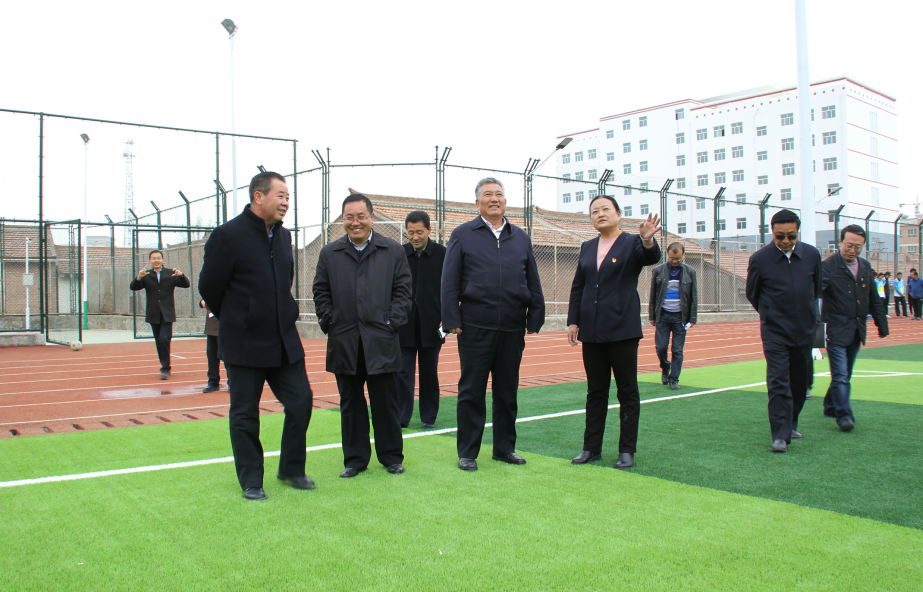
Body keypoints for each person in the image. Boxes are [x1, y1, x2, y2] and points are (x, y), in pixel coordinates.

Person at [199, 171, 315, 501]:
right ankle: (252, 479)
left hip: (283, 340)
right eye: (280, 195)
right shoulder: (227, 235)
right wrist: (239, 315)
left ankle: (291, 468)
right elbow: (209, 286)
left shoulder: (284, 236)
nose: (286, 202)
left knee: (301, 402)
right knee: (245, 413)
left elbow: (285, 279)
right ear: (258, 197)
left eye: (288, 197)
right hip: (244, 342)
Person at [442, 177, 545, 472]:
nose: (494, 198)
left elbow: (532, 278)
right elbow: (449, 280)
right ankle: (468, 452)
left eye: (499, 194)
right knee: (471, 392)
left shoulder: (521, 237)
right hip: (475, 326)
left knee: (507, 392)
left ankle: (504, 448)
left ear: (505, 201)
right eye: (488, 194)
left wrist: (536, 313)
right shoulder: (463, 234)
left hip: (512, 326)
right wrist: (451, 319)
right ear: (478, 202)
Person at [313, 193, 412, 478]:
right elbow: (320, 290)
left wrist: (392, 321)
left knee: (386, 403)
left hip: (381, 340)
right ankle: (355, 460)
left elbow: (403, 291)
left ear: (371, 217)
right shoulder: (329, 253)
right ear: (342, 220)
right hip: (345, 341)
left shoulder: (392, 250)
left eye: (361, 216)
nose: (355, 222)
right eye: (349, 217)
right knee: (351, 404)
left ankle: (391, 457)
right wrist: (330, 320)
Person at [567, 195, 661, 469]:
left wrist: (647, 239)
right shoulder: (587, 247)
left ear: (618, 214)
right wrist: (574, 321)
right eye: (594, 211)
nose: (600, 214)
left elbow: (650, 257)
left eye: (605, 209)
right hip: (592, 331)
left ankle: (626, 450)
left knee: (627, 391)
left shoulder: (632, 242)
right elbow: (578, 286)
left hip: (622, 330)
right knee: (595, 391)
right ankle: (591, 449)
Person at [745, 209, 822, 453]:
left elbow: (816, 287)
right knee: (779, 381)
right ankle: (780, 434)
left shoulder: (812, 255)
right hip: (775, 331)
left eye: (791, 236)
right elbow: (752, 293)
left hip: (804, 331)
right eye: (780, 236)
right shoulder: (760, 259)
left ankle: (792, 422)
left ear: (798, 232)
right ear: (772, 232)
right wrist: (770, 313)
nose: (786, 240)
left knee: (800, 383)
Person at [820, 225, 888, 432]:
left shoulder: (865, 266)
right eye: (849, 245)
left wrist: (881, 324)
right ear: (840, 242)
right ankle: (844, 416)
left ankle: (830, 405)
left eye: (858, 247)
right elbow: (814, 295)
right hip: (835, 329)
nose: (852, 250)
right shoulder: (827, 267)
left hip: (857, 329)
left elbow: (873, 298)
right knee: (840, 374)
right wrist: (814, 330)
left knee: (845, 373)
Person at [397, 210, 446, 429]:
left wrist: (447, 316)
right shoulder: (399, 254)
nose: (415, 237)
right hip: (404, 324)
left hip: (432, 325)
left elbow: (451, 287)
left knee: (429, 373)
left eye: (419, 232)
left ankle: (429, 417)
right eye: (410, 233)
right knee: (402, 373)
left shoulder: (443, 254)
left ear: (429, 230)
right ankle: (401, 417)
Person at [130, 250, 190, 380]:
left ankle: (165, 368)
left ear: (162, 260)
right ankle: (164, 365)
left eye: (158, 258)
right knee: (159, 341)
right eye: (154, 258)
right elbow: (133, 287)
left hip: (167, 313)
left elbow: (186, 285)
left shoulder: (171, 273)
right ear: (150, 261)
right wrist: (139, 277)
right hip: (153, 313)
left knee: (164, 339)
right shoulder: (146, 275)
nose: (156, 260)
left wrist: (181, 275)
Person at [649, 242, 698, 390]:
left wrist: (692, 318)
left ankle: (674, 379)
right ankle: (665, 367)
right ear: (667, 254)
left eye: (678, 258)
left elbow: (694, 296)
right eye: (672, 258)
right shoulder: (658, 271)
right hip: (663, 316)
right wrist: (652, 315)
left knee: (677, 350)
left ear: (683, 256)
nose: (675, 261)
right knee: (661, 347)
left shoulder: (690, 272)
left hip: (680, 318)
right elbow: (653, 295)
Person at [198, 299, 221, 393]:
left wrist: (206, 303)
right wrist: (202, 301)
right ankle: (213, 382)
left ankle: (231, 382)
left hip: (224, 323)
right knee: (212, 355)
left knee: (227, 356)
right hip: (211, 324)